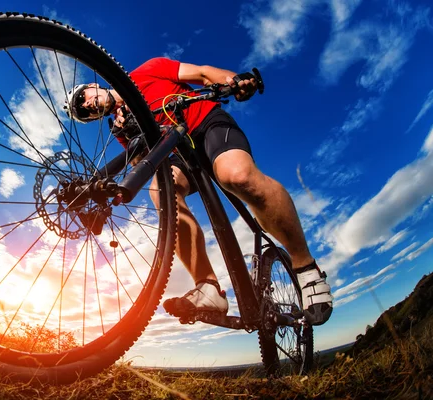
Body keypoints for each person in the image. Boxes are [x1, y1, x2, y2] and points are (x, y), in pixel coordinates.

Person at [63, 57, 333, 326]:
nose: (87, 106)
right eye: (84, 112)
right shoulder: (118, 126)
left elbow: (203, 73)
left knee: (236, 175)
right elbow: (141, 164)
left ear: (92, 86)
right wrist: (130, 132)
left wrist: (233, 81)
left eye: (83, 98)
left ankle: (305, 266)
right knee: (161, 191)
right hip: (179, 154)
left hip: (205, 123)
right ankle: (208, 287)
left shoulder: (146, 71)